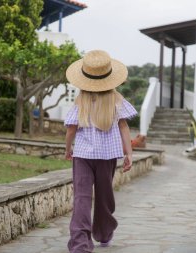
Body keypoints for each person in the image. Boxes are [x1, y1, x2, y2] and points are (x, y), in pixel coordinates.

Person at [64, 50, 137, 253]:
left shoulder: (81, 101)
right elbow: (123, 127)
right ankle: (104, 234)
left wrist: (68, 148)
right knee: (105, 197)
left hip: (83, 156)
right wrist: (128, 153)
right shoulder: (116, 99)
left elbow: (71, 128)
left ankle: (80, 244)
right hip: (107, 157)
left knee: (82, 198)